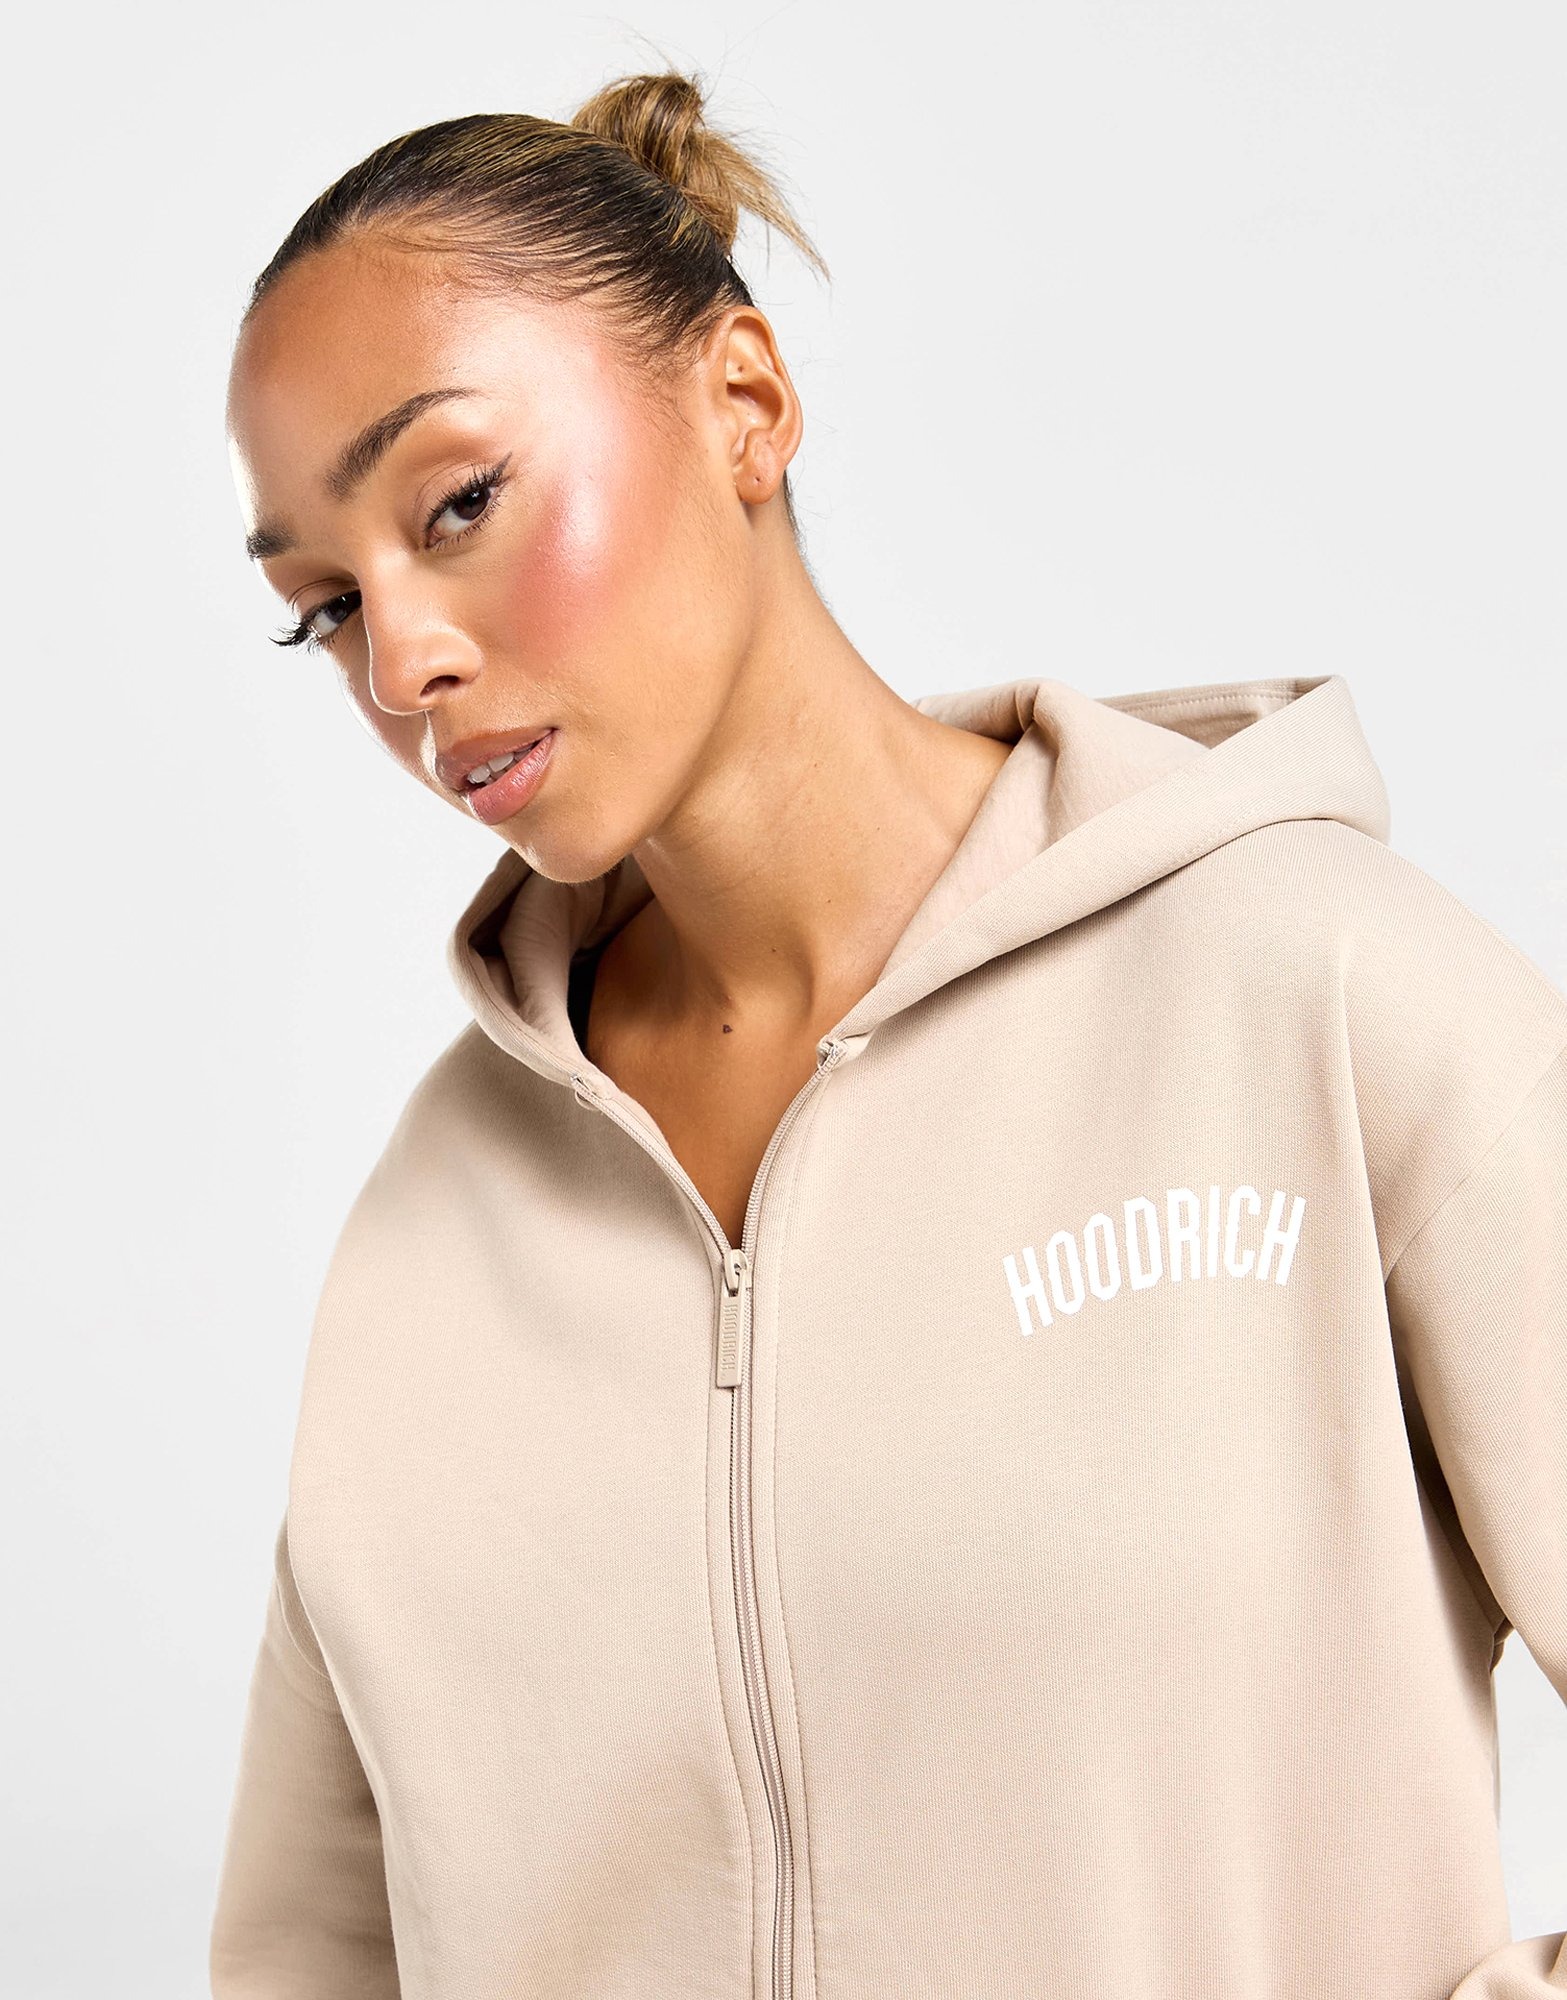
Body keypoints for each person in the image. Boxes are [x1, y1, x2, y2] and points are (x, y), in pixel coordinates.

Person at [210, 67, 1567, 2000]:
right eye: (327, 606)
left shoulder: (1320, 1002)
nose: (405, 659)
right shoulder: (431, 1236)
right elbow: (307, 1959)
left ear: (743, 404)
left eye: (462, 504)